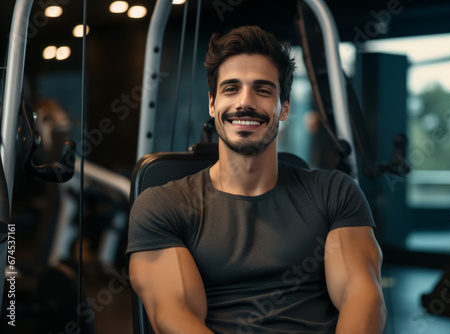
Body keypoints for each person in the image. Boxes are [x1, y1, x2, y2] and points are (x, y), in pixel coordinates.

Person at [127, 26, 386, 333]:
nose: (244, 102)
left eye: (263, 90)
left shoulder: (333, 192)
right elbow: (174, 316)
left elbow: (363, 297)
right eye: (231, 88)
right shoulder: (163, 205)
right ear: (212, 104)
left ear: (284, 107)